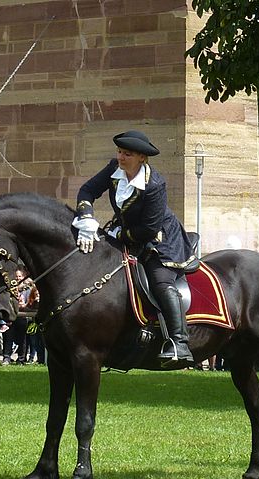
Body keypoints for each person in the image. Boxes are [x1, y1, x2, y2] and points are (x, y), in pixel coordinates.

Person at [73, 130, 195, 368]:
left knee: (160, 281)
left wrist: (118, 233)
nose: (120, 157)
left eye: (126, 153)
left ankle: (179, 343)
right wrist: (86, 216)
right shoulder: (113, 169)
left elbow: (149, 228)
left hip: (159, 241)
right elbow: (87, 191)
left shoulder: (155, 184)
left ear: (142, 158)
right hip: (125, 233)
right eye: (119, 151)